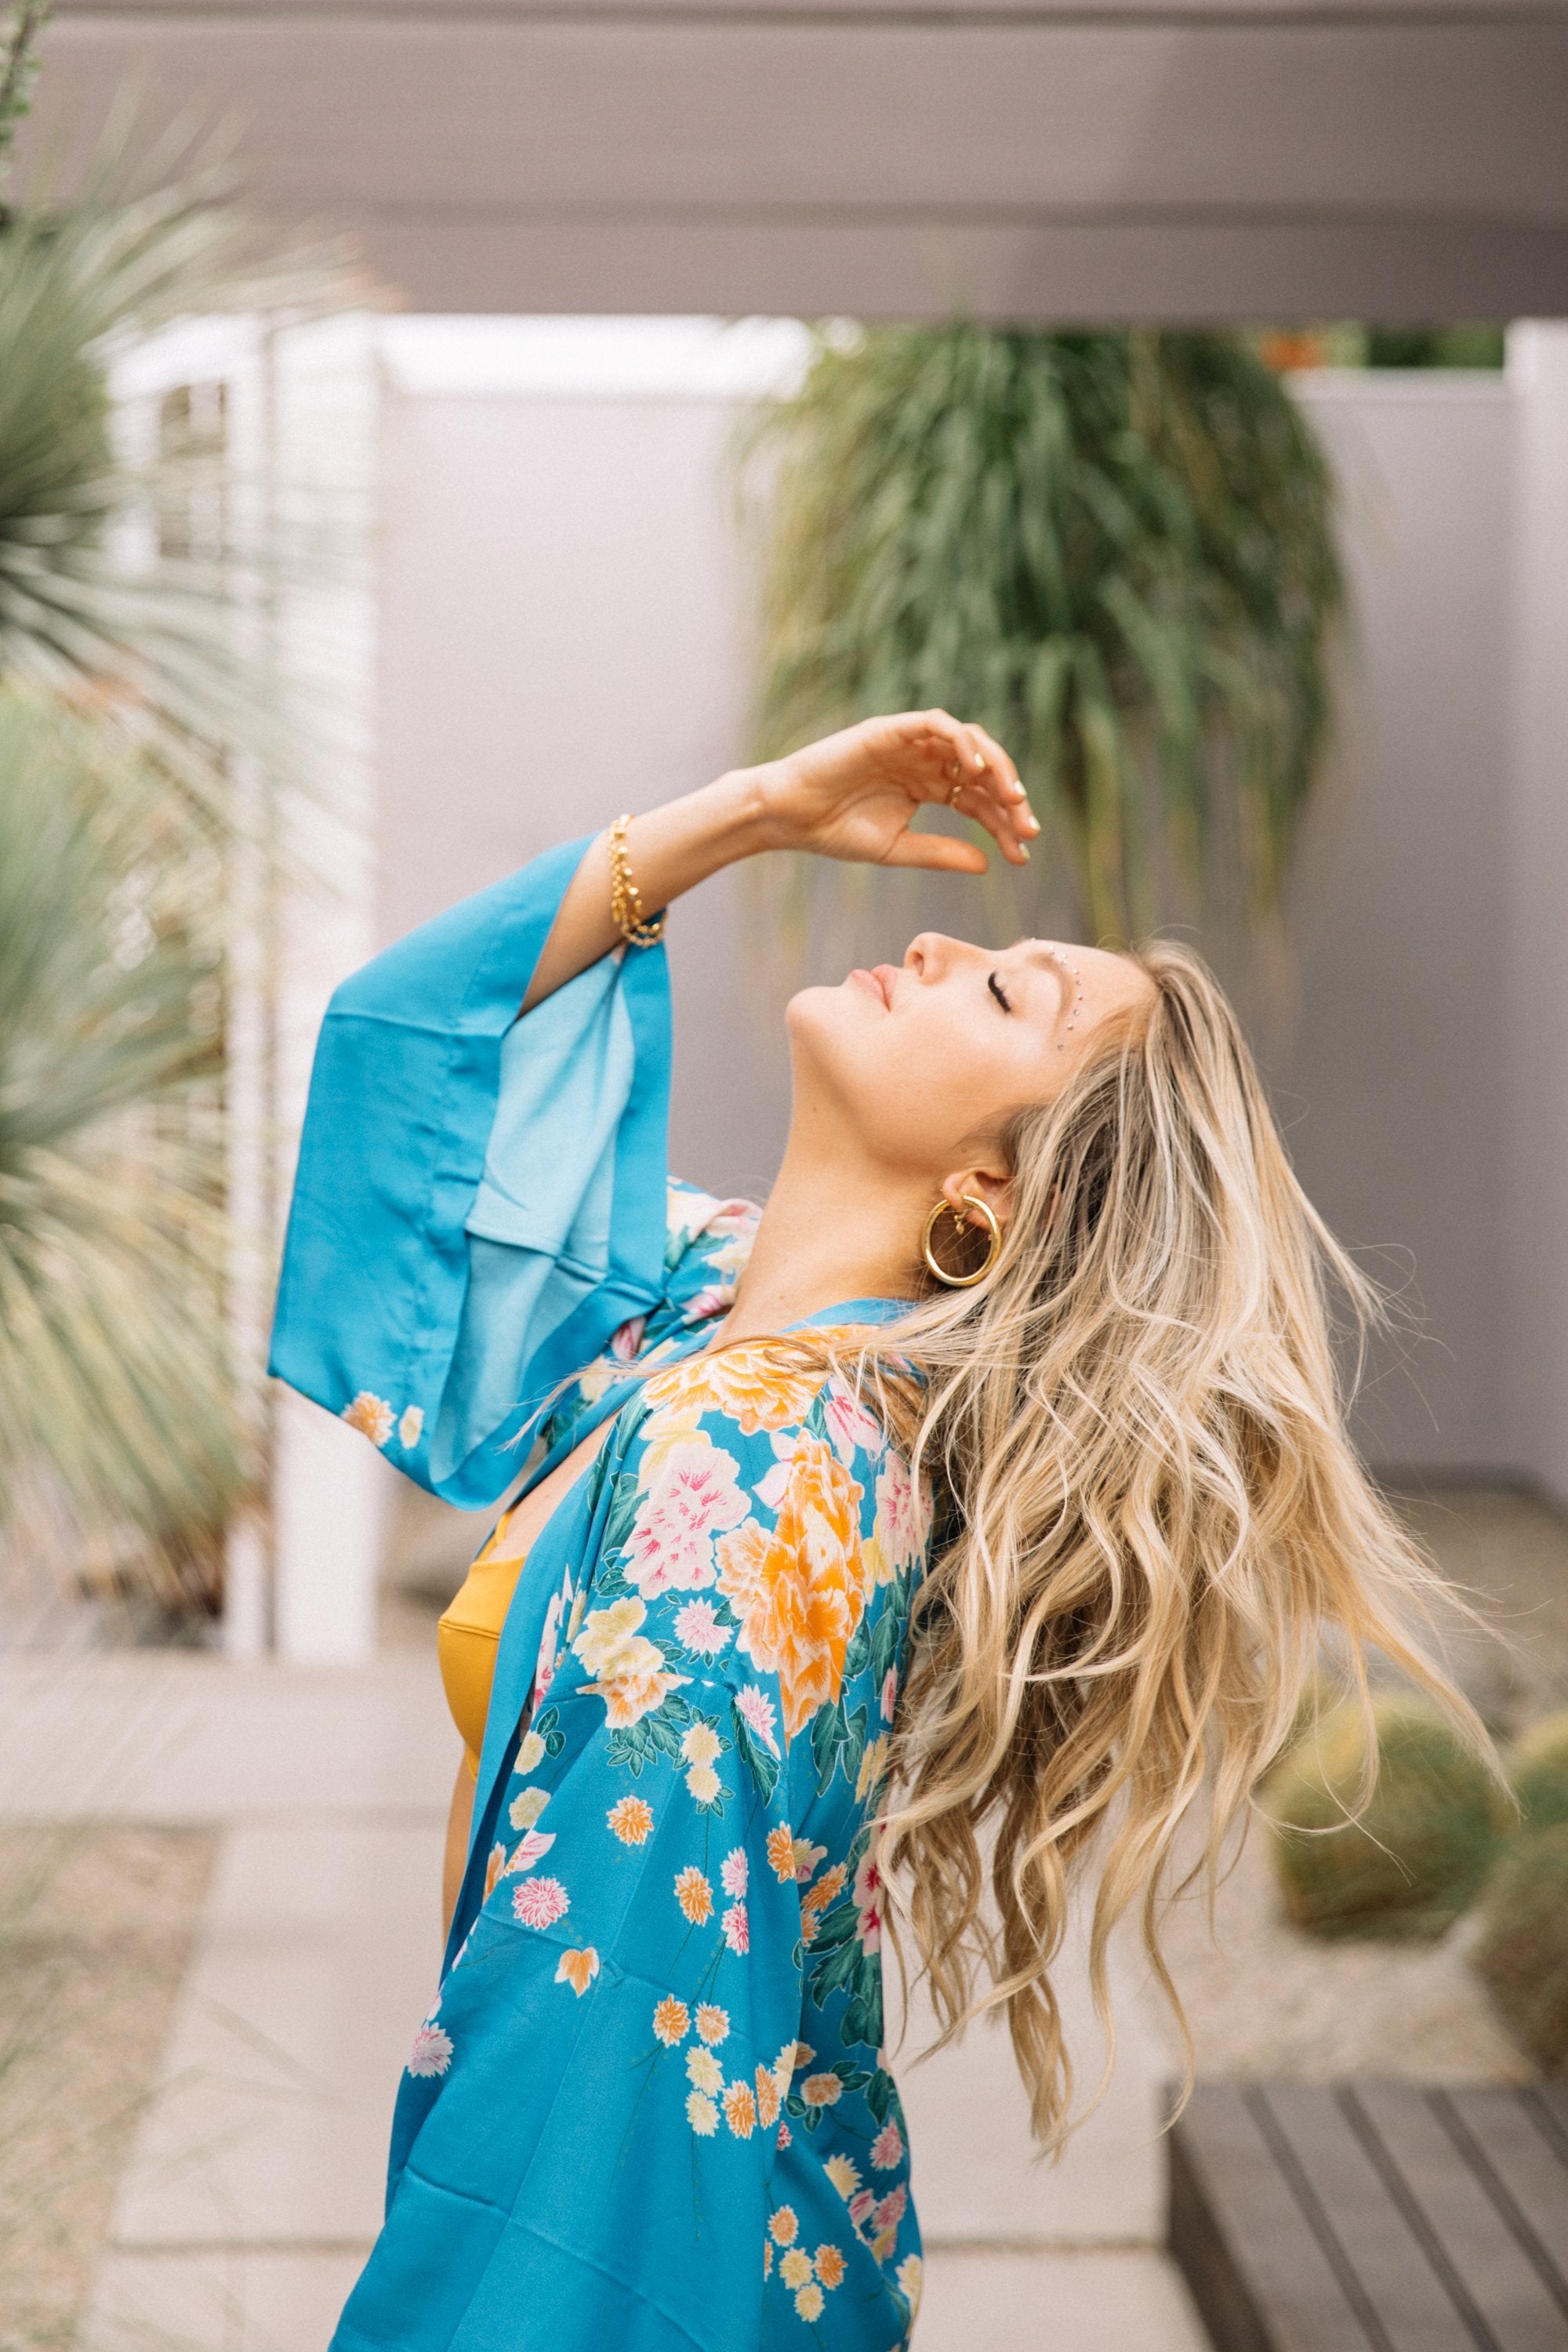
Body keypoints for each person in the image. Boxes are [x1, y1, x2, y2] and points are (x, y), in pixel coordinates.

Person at [271, 712, 1472, 2351]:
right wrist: (752, 811)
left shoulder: (758, 1474)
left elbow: (610, 2059)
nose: (932, 939)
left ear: (993, 1193)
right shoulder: (701, 1318)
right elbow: (406, 1068)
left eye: (1003, 991)